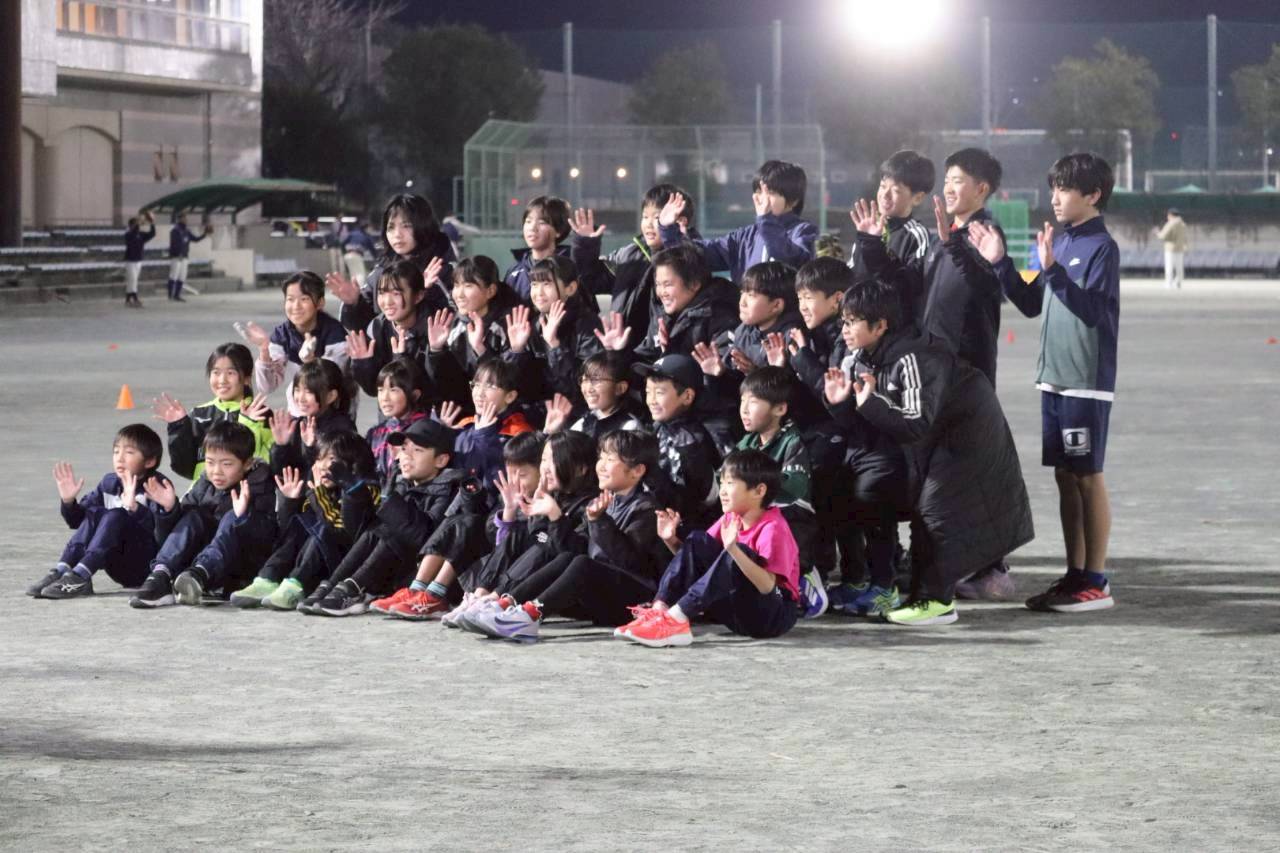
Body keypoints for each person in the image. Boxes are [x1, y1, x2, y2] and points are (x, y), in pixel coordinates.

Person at [822, 278, 1034, 627]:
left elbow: (916, 421)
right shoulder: (863, 355)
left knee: (936, 510)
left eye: (852, 321)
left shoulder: (913, 356)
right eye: (843, 321)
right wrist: (839, 403)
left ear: (880, 325)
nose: (844, 330)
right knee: (916, 504)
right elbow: (872, 421)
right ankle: (923, 594)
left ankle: (936, 601)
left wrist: (870, 403)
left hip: (968, 434)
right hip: (936, 439)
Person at [980, 152, 1120, 613]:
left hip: (1084, 379)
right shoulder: (1060, 242)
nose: (1055, 198)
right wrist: (1001, 263)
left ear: (1093, 195)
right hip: (1054, 379)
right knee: (1065, 476)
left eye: (1064, 189)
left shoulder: (1102, 248)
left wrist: (1054, 270)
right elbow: (1031, 302)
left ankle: (1095, 580)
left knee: (1087, 476)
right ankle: (1075, 574)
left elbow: (1093, 310)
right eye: (1054, 188)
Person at [471, 430, 669, 642]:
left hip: (634, 602)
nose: (601, 465)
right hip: (600, 595)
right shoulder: (603, 502)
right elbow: (568, 551)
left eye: (610, 459)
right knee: (567, 558)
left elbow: (628, 562)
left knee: (582, 563)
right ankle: (503, 604)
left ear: (637, 470)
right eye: (601, 457)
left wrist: (596, 521)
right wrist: (544, 512)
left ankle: (529, 616)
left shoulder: (646, 509)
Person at [851, 147, 1006, 387]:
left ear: (981, 189)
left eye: (957, 181)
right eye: (947, 181)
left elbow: (988, 288)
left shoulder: (987, 237)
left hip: (966, 369)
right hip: (933, 363)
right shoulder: (941, 240)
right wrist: (871, 244)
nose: (948, 189)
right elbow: (903, 284)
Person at [616, 449, 800, 647]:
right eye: (722, 483)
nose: (722, 491)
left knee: (739, 553)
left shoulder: (773, 527)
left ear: (759, 491)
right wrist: (671, 540)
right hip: (737, 613)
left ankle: (677, 619)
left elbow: (767, 586)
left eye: (730, 483)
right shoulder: (730, 518)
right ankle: (660, 611)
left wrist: (733, 550)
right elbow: (701, 565)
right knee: (697, 540)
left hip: (772, 615)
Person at [300, 418, 473, 616]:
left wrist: (390, 500)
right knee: (376, 530)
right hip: (393, 571)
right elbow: (360, 532)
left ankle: (355, 590)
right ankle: (333, 585)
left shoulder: (451, 489)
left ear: (441, 460)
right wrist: (353, 492)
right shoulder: (402, 484)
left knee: (390, 531)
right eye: (404, 449)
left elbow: (426, 539)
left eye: (417, 450)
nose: (406, 456)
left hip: (422, 579)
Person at [388, 432, 544, 621]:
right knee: (462, 520)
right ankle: (419, 590)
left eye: (523, 475)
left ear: (543, 471)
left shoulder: (548, 501)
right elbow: (494, 537)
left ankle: (439, 595)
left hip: (515, 581)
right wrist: (509, 511)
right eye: (510, 474)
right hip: (486, 574)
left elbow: (518, 546)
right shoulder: (508, 496)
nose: (515, 481)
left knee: (476, 524)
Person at [129, 422, 278, 608]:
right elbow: (172, 537)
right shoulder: (205, 483)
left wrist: (242, 518)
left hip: (239, 567)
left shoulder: (260, 484)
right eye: (210, 462)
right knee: (194, 516)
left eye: (226, 464)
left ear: (247, 463)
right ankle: (161, 575)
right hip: (198, 565)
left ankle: (199, 575)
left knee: (232, 517)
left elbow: (267, 538)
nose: (216, 471)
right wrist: (170, 510)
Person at [239, 431, 380, 611]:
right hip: (316, 561)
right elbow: (290, 532)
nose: (322, 466)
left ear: (354, 463)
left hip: (343, 565)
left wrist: (319, 495)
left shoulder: (366, 490)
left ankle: (296, 585)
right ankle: (269, 578)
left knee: (320, 528)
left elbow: (340, 528)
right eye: (319, 459)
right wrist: (289, 502)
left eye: (331, 459)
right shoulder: (322, 489)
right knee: (301, 522)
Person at [27, 425, 170, 599]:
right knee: (95, 512)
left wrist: (135, 508)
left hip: (146, 567)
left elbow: (162, 531)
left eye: (129, 453)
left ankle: (80, 575)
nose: (120, 458)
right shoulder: (109, 483)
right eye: (116, 452)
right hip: (116, 566)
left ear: (150, 461)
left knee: (116, 515)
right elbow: (78, 522)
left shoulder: (157, 487)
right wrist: (69, 502)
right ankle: (63, 569)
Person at [734, 366, 823, 618]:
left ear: (780, 409)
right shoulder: (747, 442)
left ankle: (804, 574)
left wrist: (752, 484)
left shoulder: (792, 441)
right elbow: (726, 475)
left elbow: (793, 488)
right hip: (759, 517)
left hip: (792, 520)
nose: (744, 409)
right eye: (742, 401)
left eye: (753, 402)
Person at [658, 160, 817, 283]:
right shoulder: (744, 237)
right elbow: (699, 256)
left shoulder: (803, 231)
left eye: (771, 192)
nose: (762, 198)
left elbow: (792, 260)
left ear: (794, 200)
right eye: (758, 191)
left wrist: (766, 221)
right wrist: (668, 230)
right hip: (747, 317)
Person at [569, 183, 697, 337]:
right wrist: (585, 245)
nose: (648, 224)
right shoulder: (628, 255)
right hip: (624, 343)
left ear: (681, 221)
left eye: (657, 217)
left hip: (668, 344)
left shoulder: (694, 258)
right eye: (645, 217)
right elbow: (592, 282)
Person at [324, 194, 456, 333]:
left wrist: (423, 293)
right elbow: (367, 328)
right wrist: (355, 304)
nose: (397, 234)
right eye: (391, 227)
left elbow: (451, 325)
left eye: (406, 226)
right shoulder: (382, 271)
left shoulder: (443, 271)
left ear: (424, 226)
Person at [152, 342, 273, 482]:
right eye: (216, 372)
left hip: (246, 492)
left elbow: (262, 465)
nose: (222, 380)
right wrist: (179, 427)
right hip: (203, 493)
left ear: (246, 378)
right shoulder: (199, 415)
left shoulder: (261, 413)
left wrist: (249, 424)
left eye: (230, 373)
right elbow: (184, 468)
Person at [242, 272, 351, 419]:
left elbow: (331, 383)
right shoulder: (282, 335)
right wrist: (264, 350)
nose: (296, 306)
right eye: (290, 299)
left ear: (320, 303)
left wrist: (311, 362)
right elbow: (267, 387)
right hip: (298, 412)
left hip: (335, 413)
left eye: (304, 299)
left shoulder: (335, 334)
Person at [344, 259, 448, 399]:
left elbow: (442, 385)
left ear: (418, 296)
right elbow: (374, 390)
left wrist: (436, 352)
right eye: (382, 293)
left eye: (396, 294)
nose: (387, 302)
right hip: (396, 410)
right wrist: (363, 365)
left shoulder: (438, 326)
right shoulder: (377, 327)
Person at [848, 150, 935, 281]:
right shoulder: (868, 229)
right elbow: (852, 275)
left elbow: (909, 285)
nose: (885, 195)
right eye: (883, 186)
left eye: (896, 191)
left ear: (917, 198)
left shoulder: (915, 235)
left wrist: (873, 245)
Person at [268, 358, 359, 477]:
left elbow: (333, 475)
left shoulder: (342, 428)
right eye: (297, 390)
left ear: (331, 396)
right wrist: (281, 446)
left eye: (308, 392)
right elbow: (282, 473)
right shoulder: (299, 424)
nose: (301, 398)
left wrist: (310, 448)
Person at [541, 352, 644, 440]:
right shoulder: (585, 421)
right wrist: (551, 432)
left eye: (596, 380)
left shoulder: (629, 426)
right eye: (584, 380)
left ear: (620, 388)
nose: (588, 389)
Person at [363, 357, 430, 490]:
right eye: (380, 390)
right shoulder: (376, 433)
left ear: (415, 394)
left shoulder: (424, 431)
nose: (384, 398)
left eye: (393, 390)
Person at [505, 196, 573, 303]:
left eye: (542, 223)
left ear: (558, 231)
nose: (532, 228)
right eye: (528, 221)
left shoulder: (570, 267)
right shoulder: (514, 271)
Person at [166, 212, 209, 302]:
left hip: (185, 256)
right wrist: (178, 253)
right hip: (177, 256)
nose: (186, 220)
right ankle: (170, 295)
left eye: (186, 218)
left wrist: (204, 234)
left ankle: (177, 295)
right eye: (184, 218)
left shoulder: (186, 231)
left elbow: (195, 239)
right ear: (179, 219)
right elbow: (174, 244)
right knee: (174, 275)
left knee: (182, 276)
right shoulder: (175, 230)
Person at [123, 211, 156, 308]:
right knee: (133, 280)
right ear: (131, 226)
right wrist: (139, 221)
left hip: (138, 260)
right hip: (130, 261)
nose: (138, 225)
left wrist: (152, 223)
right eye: (135, 224)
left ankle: (128, 300)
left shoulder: (141, 234)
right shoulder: (128, 234)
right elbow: (133, 232)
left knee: (132, 280)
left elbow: (152, 234)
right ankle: (135, 299)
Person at [1155, 207, 1188, 290]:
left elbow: (1163, 236)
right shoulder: (1183, 225)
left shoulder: (1170, 224)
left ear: (1171, 215)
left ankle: (1168, 284)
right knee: (1179, 267)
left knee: (1169, 267)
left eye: (1168, 215)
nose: (1167, 217)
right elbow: (1185, 238)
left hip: (1170, 249)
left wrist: (1157, 233)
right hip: (1180, 248)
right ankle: (1178, 282)